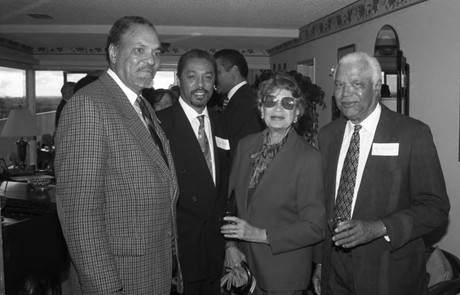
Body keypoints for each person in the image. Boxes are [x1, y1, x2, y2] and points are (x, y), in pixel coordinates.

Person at [55, 16, 180, 294]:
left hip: (151, 272)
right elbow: (80, 216)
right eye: (139, 50)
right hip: (117, 279)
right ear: (113, 53)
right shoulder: (89, 106)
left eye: (156, 52)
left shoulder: (142, 105)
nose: (151, 60)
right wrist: (106, 289)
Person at [312, 52, 450, 295]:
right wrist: (320, 262)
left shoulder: (412, 134)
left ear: (377, 87)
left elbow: (435, 207)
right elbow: (322, 205)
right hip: (335, 270)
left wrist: (378, 228)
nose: (345, 94)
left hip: (388, 272)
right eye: (340, 85)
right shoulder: (328, 135)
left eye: (356, 84)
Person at [221, 73, 325, 294]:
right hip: (242, 266)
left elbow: (314, 228)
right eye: (271, 101)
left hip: (282, 273)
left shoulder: (309, 158)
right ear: (261, 109)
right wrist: (230, 246)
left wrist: (259, 234)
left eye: (287, 103)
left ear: (297, 113)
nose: (278, 109)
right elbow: (231, 204)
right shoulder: (245, 146)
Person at [157, 49, 230, 295]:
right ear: (179, 80)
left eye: (207, 77)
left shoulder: (222, 123)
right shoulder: (159, 125)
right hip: (178, 254)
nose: (201, 85)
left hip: (215, 250)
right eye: (192, 76)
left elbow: (226, 189)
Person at [214, 49, 265, 151]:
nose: (213, 78)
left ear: (234, 71)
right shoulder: (237, 99)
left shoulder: (245, 103)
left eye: (218, 73)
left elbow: (246, 150)